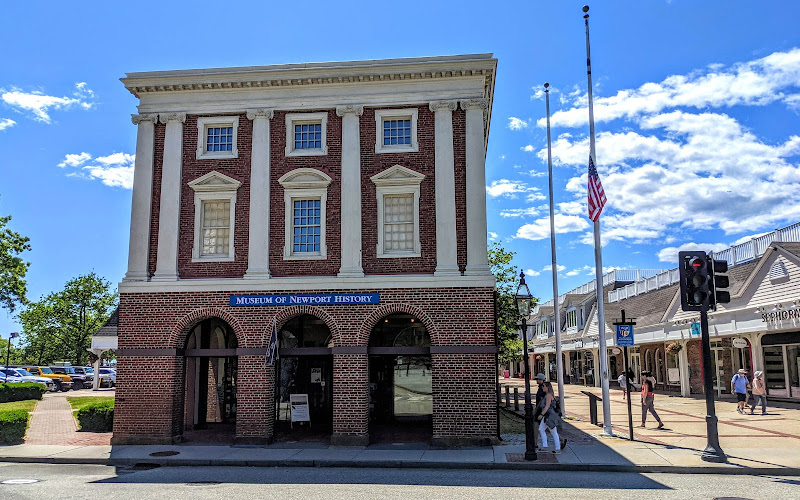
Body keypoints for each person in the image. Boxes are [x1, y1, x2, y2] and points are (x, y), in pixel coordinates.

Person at [536, 381, 563, 453]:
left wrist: (541, 414)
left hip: (549, 415)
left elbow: (547, 406)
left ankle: (557, 448)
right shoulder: (549, 394)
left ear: (547, 387)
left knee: (553, 431)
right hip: (548, 415)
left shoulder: (548, 395)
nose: (542, 387)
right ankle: (545, 446)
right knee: (541, 429)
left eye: (544, 386)